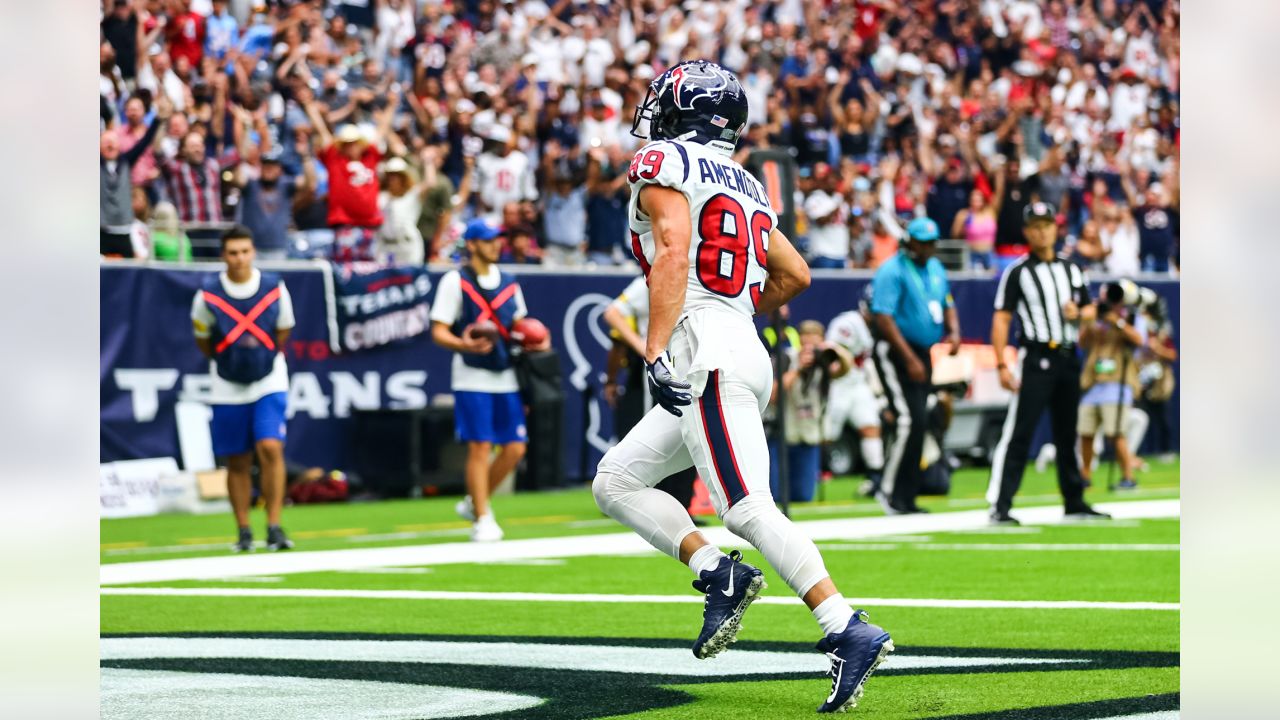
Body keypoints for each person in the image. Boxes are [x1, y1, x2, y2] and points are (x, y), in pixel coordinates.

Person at [591, 61, 892, 714]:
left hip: (707, 351)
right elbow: (798, 273)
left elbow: (672, 250)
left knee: (746, 507)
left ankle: (845, 625)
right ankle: (718, 571)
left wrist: (654, 346)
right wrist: (732, 314)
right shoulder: (748, 180)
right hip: (735, 344)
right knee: (615, 481)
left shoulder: (661, 162)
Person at [986, 202, 1111, 525]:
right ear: (1027, 232)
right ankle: (1000, 504)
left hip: (1067, 356)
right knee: (1020, 431)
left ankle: (1074, 500)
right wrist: (1002, 363)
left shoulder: (1071, 269)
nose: (1042, 231)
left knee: (1067, 432)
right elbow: (1002, 319)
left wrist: (1079, 314)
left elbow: (1091, 311)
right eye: (1035, 226)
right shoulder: (1017, 272)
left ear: (1056, 228)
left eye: (1047, 224)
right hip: (1037, 356)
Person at [430, 219, 540, 542]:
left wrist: (535, 338)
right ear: (473, 244)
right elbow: (438, 330)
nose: (497, 245)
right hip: (471, 374)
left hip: (506, 373)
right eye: (490, 240)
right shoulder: (455, 281)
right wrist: (464, 345)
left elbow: (520, 324)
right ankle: (482, 516)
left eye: (498, 239)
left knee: (515, 448)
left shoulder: (509, 281)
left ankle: (473, 500)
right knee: (479, 446)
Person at [190, 225, 295, 553]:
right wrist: (231, 359)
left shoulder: (273, 288)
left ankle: (274, 525)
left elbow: (283, 332)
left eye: (245, 252)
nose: (239, 259)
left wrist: (258, 357)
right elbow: (203, 339)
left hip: (268, 378)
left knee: (270, 447)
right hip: (226, 382)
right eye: (233, 253)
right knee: (236, 458)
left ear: (253, 252)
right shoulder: (207, 294)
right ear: (223, 255)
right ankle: (244, 530)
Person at [869, 217, 961, 515]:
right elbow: (883, 317)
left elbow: (947, 302)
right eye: (923, 242)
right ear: (910, 241)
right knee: (909, 421)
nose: (928, 248)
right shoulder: (892, 270)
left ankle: (907, 496)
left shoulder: (935, 268)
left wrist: (954, 330)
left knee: (921, 422)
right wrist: (908, 358)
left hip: (923, 352)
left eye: (932, 242)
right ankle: (889, 491)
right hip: (896, 352)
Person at [602, 274, 701, 524]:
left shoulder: (697, 275)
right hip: (663, 364)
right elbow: (613, 312)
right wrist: (643, 346)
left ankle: (681, 505)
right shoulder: (653, 277)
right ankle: (640, 500)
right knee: (656, 431)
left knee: (690, 432)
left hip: (690, 362)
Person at [773, 320, 852, 502]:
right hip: (782, 435)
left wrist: (834, 349)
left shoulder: (824, 361)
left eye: (814, 342)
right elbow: (773, 396)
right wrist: (798, 369)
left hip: (809, 436)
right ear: (799, 340)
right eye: (806, 341)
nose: (810, 348)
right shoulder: (787, 357)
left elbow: (846, 369)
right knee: (776, 496)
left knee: (803, 496)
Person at [1077, 298, 1145, 490]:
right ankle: (1085, 476)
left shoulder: (1129, 318)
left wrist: (1116, 321)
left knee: (1115, 434)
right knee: (1085, 432)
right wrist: (1089, 321)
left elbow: (1139, 340)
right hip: (1092, 383)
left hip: (1117, 384)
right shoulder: (1095, 322)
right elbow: (1081, 343)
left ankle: (1128, 477)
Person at [825, 294, 887, 498]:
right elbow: (831, 356)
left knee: (870, 426)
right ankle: (819, 471)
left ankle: (875, 478)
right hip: (838, 384)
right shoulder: (848, 323)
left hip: (857, 383)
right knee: (828, 433)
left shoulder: (874, 327)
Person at [101, 95, 170, 256]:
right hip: (101, 229)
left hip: (124, 229)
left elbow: (144, 142)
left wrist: (158, 119)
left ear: (119, 145)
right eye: (105, 142)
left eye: (113, 141)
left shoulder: (125, 162)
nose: (110, 145)